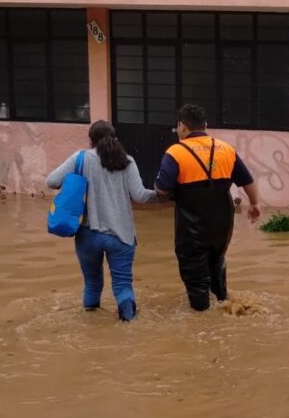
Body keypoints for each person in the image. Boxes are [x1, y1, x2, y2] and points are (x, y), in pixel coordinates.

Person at [47, 120, 157, 321]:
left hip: (87, 235)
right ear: (115, 138)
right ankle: (129, 324)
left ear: (90, 141)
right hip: (121, 236)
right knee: (123, 285)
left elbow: (52, 181)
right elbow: (140, 196)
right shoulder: (127, 161)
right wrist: (163, 195)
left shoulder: (80, 158)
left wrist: (74, 182)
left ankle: (92, 326)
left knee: (92, 284)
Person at [154, 104, 261, 311]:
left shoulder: (176, 152)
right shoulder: (226, 149)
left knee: (195, 275)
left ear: (182, 126)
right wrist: (255, 204)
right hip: (223, 225)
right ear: (205, 125)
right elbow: (247, 180)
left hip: (192, 227)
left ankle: (203, 320)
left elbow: (162, 189)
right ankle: (223, 304)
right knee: (217, 262)